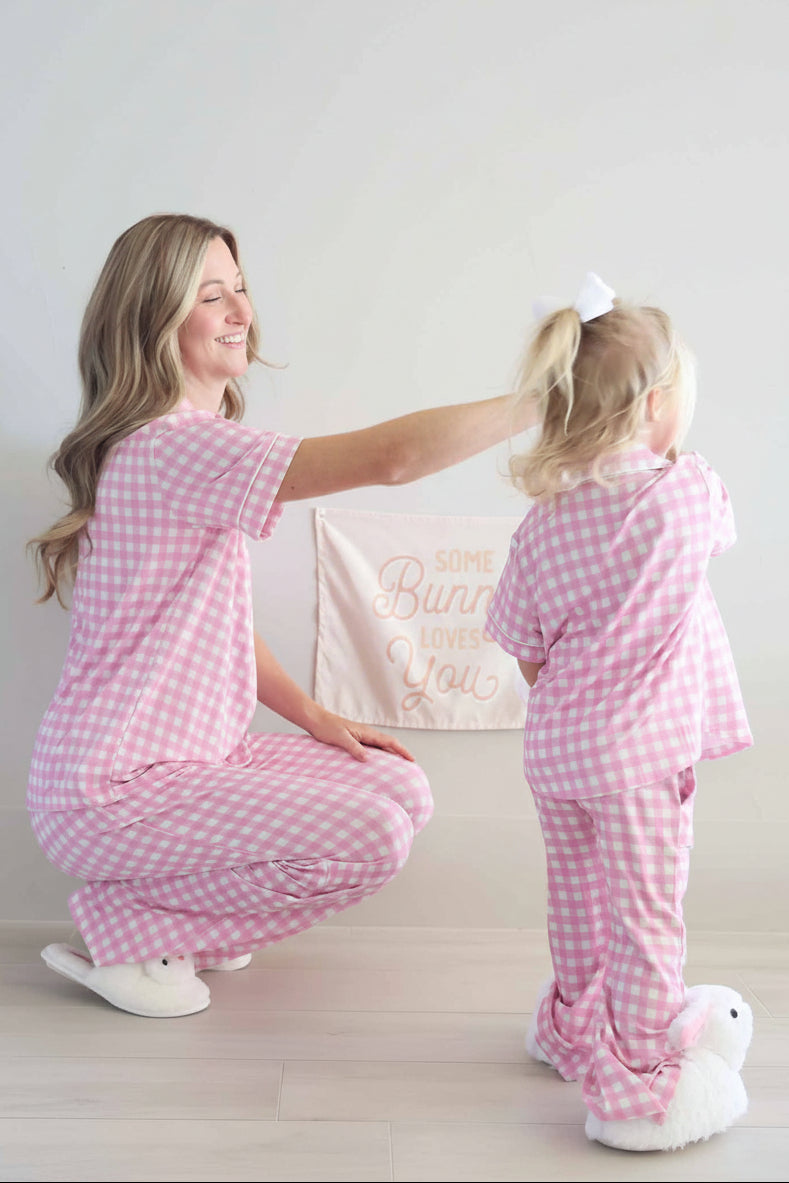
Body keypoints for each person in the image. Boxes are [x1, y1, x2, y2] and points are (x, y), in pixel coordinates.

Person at [28, 212, 534, 1020]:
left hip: (192, 763)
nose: (241, 310)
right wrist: (545, 397)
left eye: (240, 288)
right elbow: (392, 459)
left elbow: (218, 626)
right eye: (210, 296)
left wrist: (315, 714)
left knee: (398, 787)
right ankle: (132, 927)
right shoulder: (170, 448)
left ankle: (184, 926)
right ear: (155, 319)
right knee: (374, 834)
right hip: (113, 788)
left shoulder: (185, 444)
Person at [485, 274, 753, 1151]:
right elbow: (720, 524)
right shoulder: (682, 494)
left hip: (557, 753)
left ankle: (571, 1027)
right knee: (645, 913)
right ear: (654, 407)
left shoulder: (541, 525)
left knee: (576, 896)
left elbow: (524, 648)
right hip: (639, 758)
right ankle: (637, 1081)